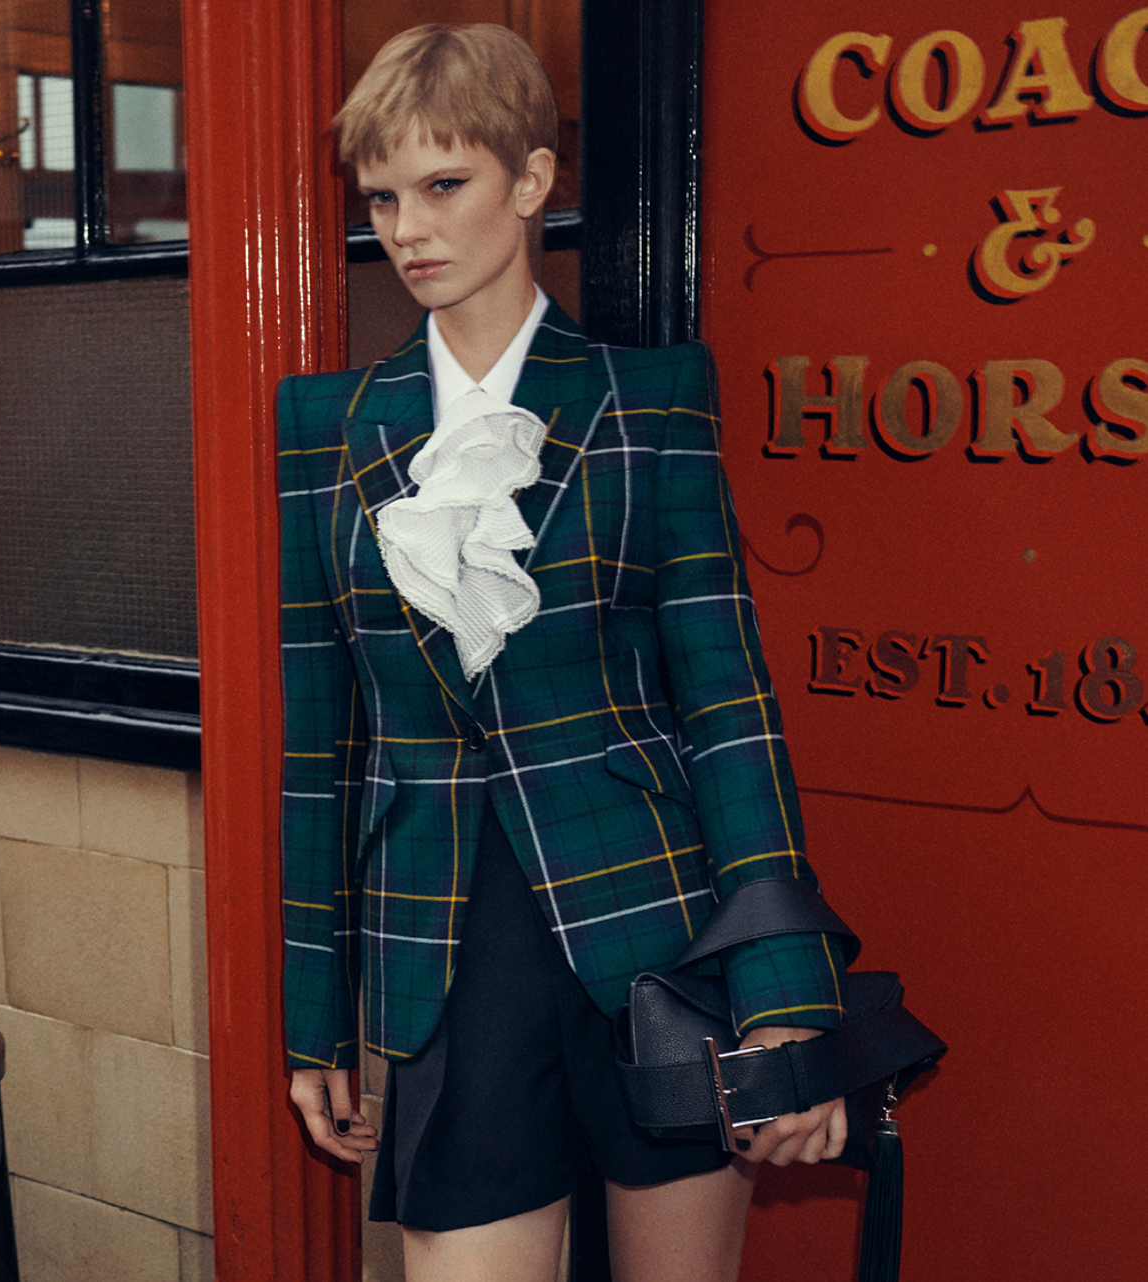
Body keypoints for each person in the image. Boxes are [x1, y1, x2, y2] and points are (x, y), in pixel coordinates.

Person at [278, 23, 847, 1282]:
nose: (408, 228)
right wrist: (311, 1019)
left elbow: (729, 708)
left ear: (530, 181)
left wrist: (788, 993)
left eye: (444, 184)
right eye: (382, 196)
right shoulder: (322, 429)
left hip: (656, 942)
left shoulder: (651, 404)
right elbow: (314, 747)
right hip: (443, 964)